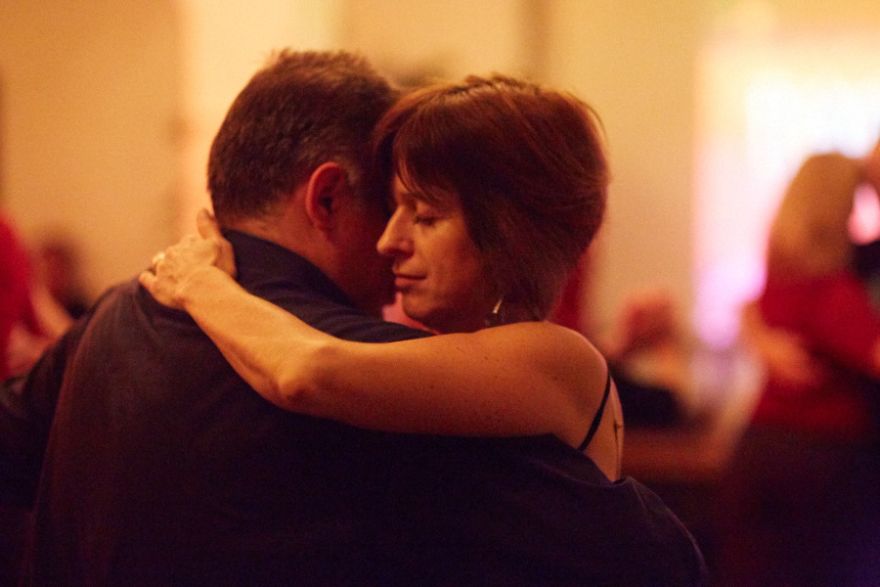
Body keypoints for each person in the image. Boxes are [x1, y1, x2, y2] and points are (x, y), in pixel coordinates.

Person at [142, 74, 706, 585]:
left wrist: (200, 282)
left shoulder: (556, 355)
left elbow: (306, 372)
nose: (389, 241)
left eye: (426, 216)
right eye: (393, 209)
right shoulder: (477, 354)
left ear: (507, 232)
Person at [717, 142, 880, 586]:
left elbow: (749, 306)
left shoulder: (781, 279)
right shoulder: (833, 290)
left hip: (758, 448)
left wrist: (756, 335)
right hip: (824, 457)